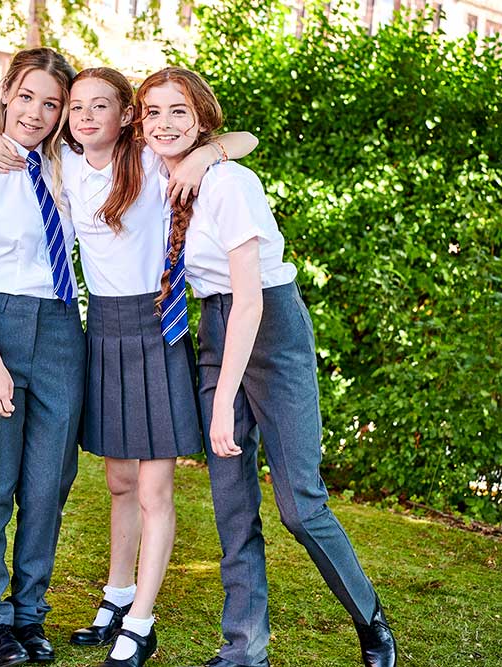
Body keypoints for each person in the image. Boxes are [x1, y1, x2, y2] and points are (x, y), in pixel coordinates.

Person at [0, 67, 258, 667]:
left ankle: (141, 623)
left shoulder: (153, 159)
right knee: (119, 481)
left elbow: (245, 141)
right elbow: (2, 141)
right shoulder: (63, 165)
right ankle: (117, 595)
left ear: (125, 114)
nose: (84, 115)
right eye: (76, 106)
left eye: (100, 105)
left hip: (155, 325)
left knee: (156, 487)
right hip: (100, 329)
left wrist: (204, 154)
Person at [138, 66, 398, 667]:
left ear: (202, 118)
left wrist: (225, 397)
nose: (164, 123)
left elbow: (251, 300)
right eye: (153, 112)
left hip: (269, 329)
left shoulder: (232, 185)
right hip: (213, 325)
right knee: (231, 504)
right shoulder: (159, 167)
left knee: (300, 505)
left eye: (179, 111)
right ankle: (244, 649)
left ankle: (371, 620)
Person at [0, 47, 82, 667]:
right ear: (5, 94)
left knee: (50, 484)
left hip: (60, 329)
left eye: (50, 103)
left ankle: (30, 612)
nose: (36, 112)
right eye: (26, 96)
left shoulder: (68, 171)